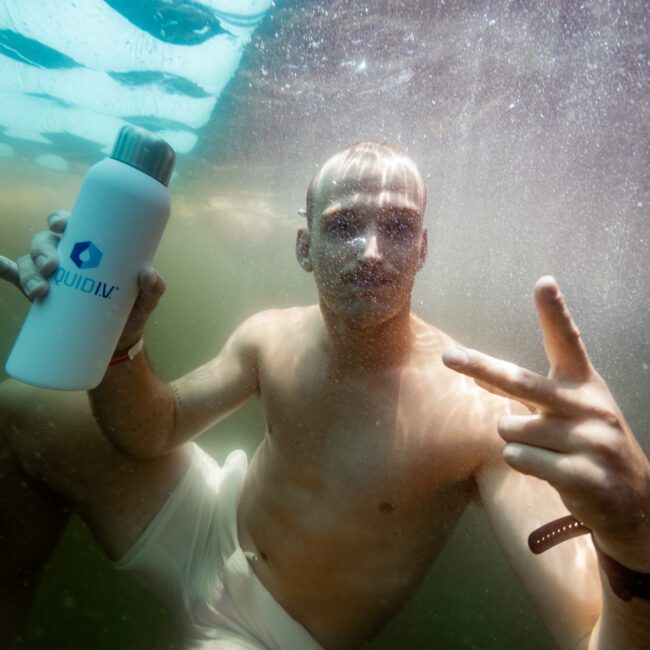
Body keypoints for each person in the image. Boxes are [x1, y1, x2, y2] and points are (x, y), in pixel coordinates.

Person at [1, 141, 649, 649]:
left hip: (271, 633)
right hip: (208, 519)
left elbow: (590, 636)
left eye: (397, 226)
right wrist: (119, 343)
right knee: (17, 410)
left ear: (422, 249)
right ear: (304, 248)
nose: (371, 251)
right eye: (344, 227)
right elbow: (152, 429)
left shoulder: (486, 410)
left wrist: (634, 541)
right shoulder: (270, 336)